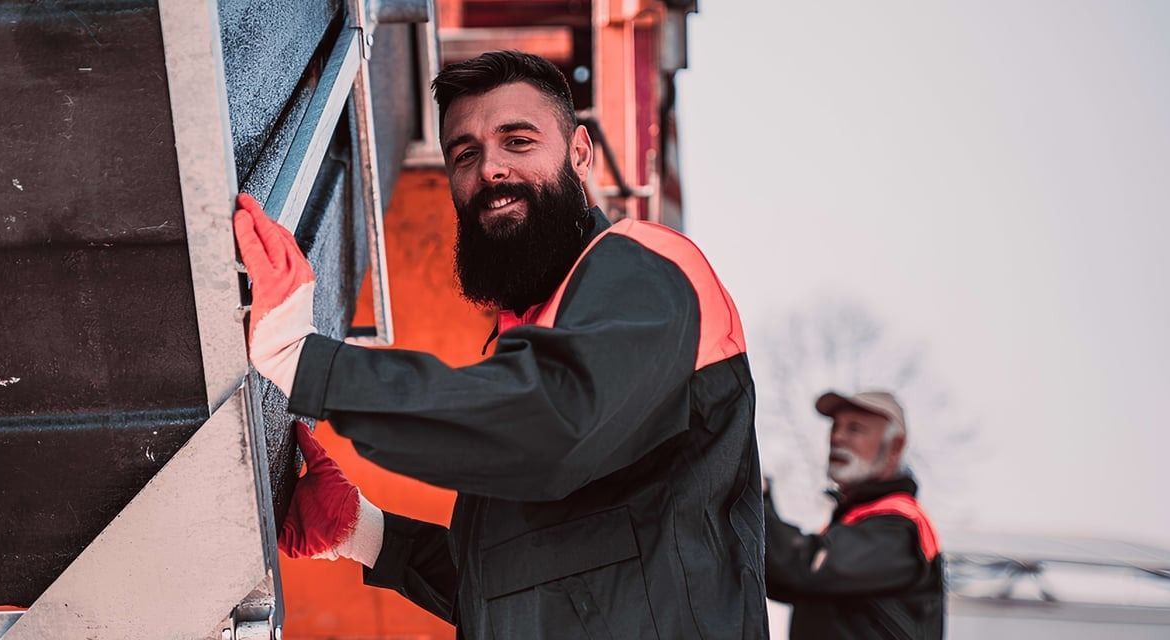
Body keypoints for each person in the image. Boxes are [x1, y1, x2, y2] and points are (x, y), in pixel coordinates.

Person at [232, 51, 768, 638]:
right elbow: (526, 592)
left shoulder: (650, 271)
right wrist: (363, 531)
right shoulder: (532, 342)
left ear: (579, 154)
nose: (490, 169)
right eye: (466, 154)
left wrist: (304, 359)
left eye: (518, 141)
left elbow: (548, 426)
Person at [763, 391, 945, 639]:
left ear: (896, 446)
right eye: (835, 427)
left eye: (855, 429)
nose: (837, 437)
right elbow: (785, 579)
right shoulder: (854, 523)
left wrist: (756, 502)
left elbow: (804, 568)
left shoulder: (899, 528)